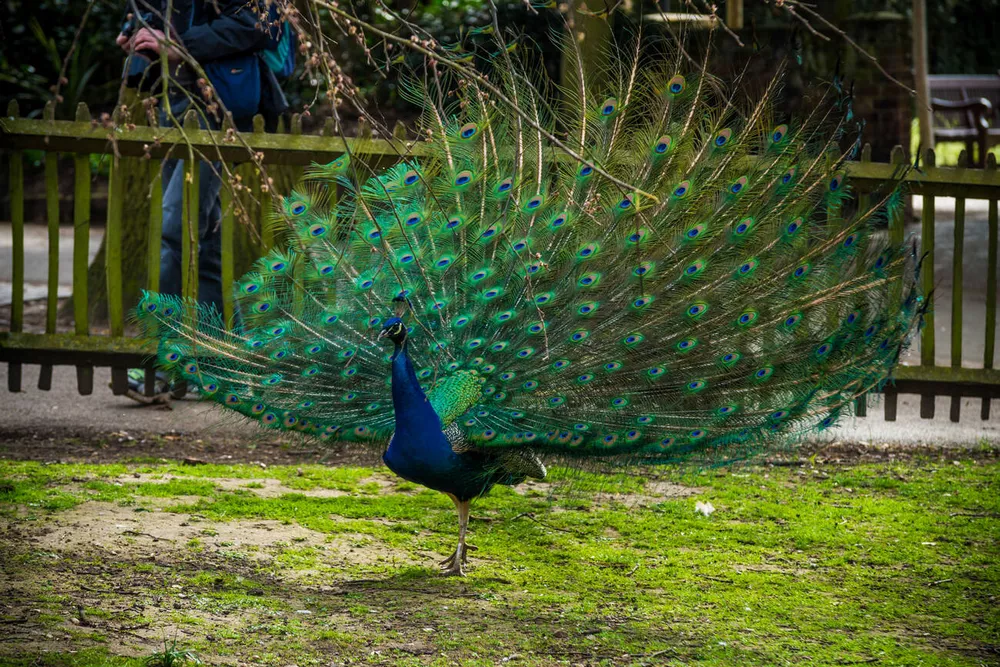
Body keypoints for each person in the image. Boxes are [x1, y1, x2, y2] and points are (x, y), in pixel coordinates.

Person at [118, 0, 289, 401]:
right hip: (174, 101)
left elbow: (261, 24)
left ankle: (163, 365)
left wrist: (178, 43)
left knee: (175, 228)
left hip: (221, 107)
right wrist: (136, 33)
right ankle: (222, 365)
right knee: (205, 239)